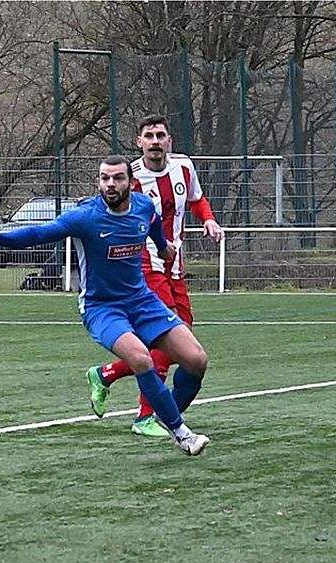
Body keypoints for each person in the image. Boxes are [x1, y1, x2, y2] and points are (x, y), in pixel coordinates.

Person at [0, 155, 211, 455]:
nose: (110, 184)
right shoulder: (85, 217)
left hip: (141, 300)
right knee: (141, 359)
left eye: (117, 178)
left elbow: (153, 229)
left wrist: (165, 250)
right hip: (102, 308)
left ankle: (169, 414)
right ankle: (182, 433)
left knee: (196, 360)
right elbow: (40, 233)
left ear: (131, 181)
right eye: (104, 178)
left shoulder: (144, 207)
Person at [88, 115, 223, 437]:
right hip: (145, 262)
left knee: (183, 339)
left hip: (174, 262)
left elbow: (197, 199)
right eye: (149, 135)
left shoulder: (184, 168)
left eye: (160, 135)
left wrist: (209, 220)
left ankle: (107, 374)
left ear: (169, 140)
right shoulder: (128, 177)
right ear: (139, 142)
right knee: (163, 337)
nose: (155, 141)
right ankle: (146, 416)